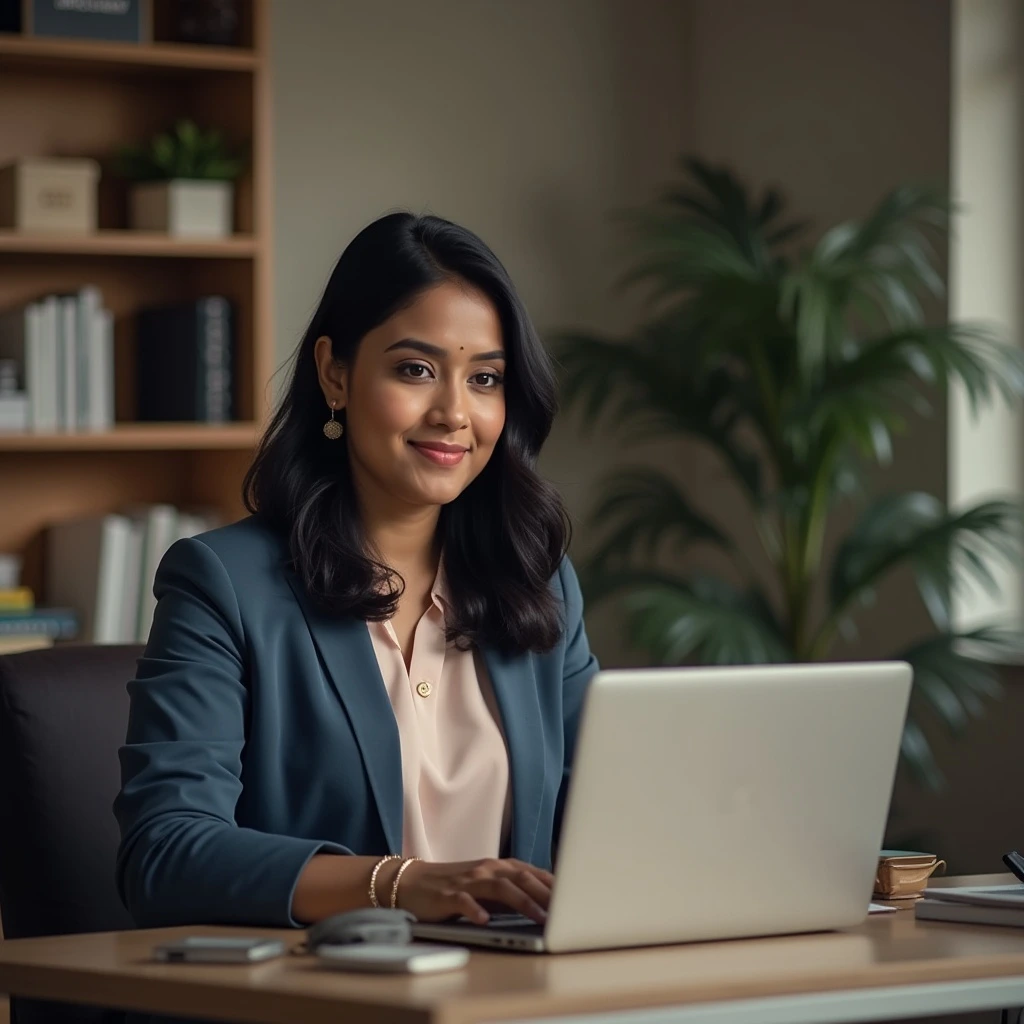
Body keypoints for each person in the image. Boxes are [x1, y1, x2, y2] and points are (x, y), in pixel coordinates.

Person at [114, 211, 599, 931]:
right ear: (334, 373)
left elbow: (615, 816)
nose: (455, 413)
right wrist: (397, 883)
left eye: (486, 378)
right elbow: (165, 852)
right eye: (416, 370)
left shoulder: (537, 581)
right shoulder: (222, 583)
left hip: (510, 997)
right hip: (317, 997)